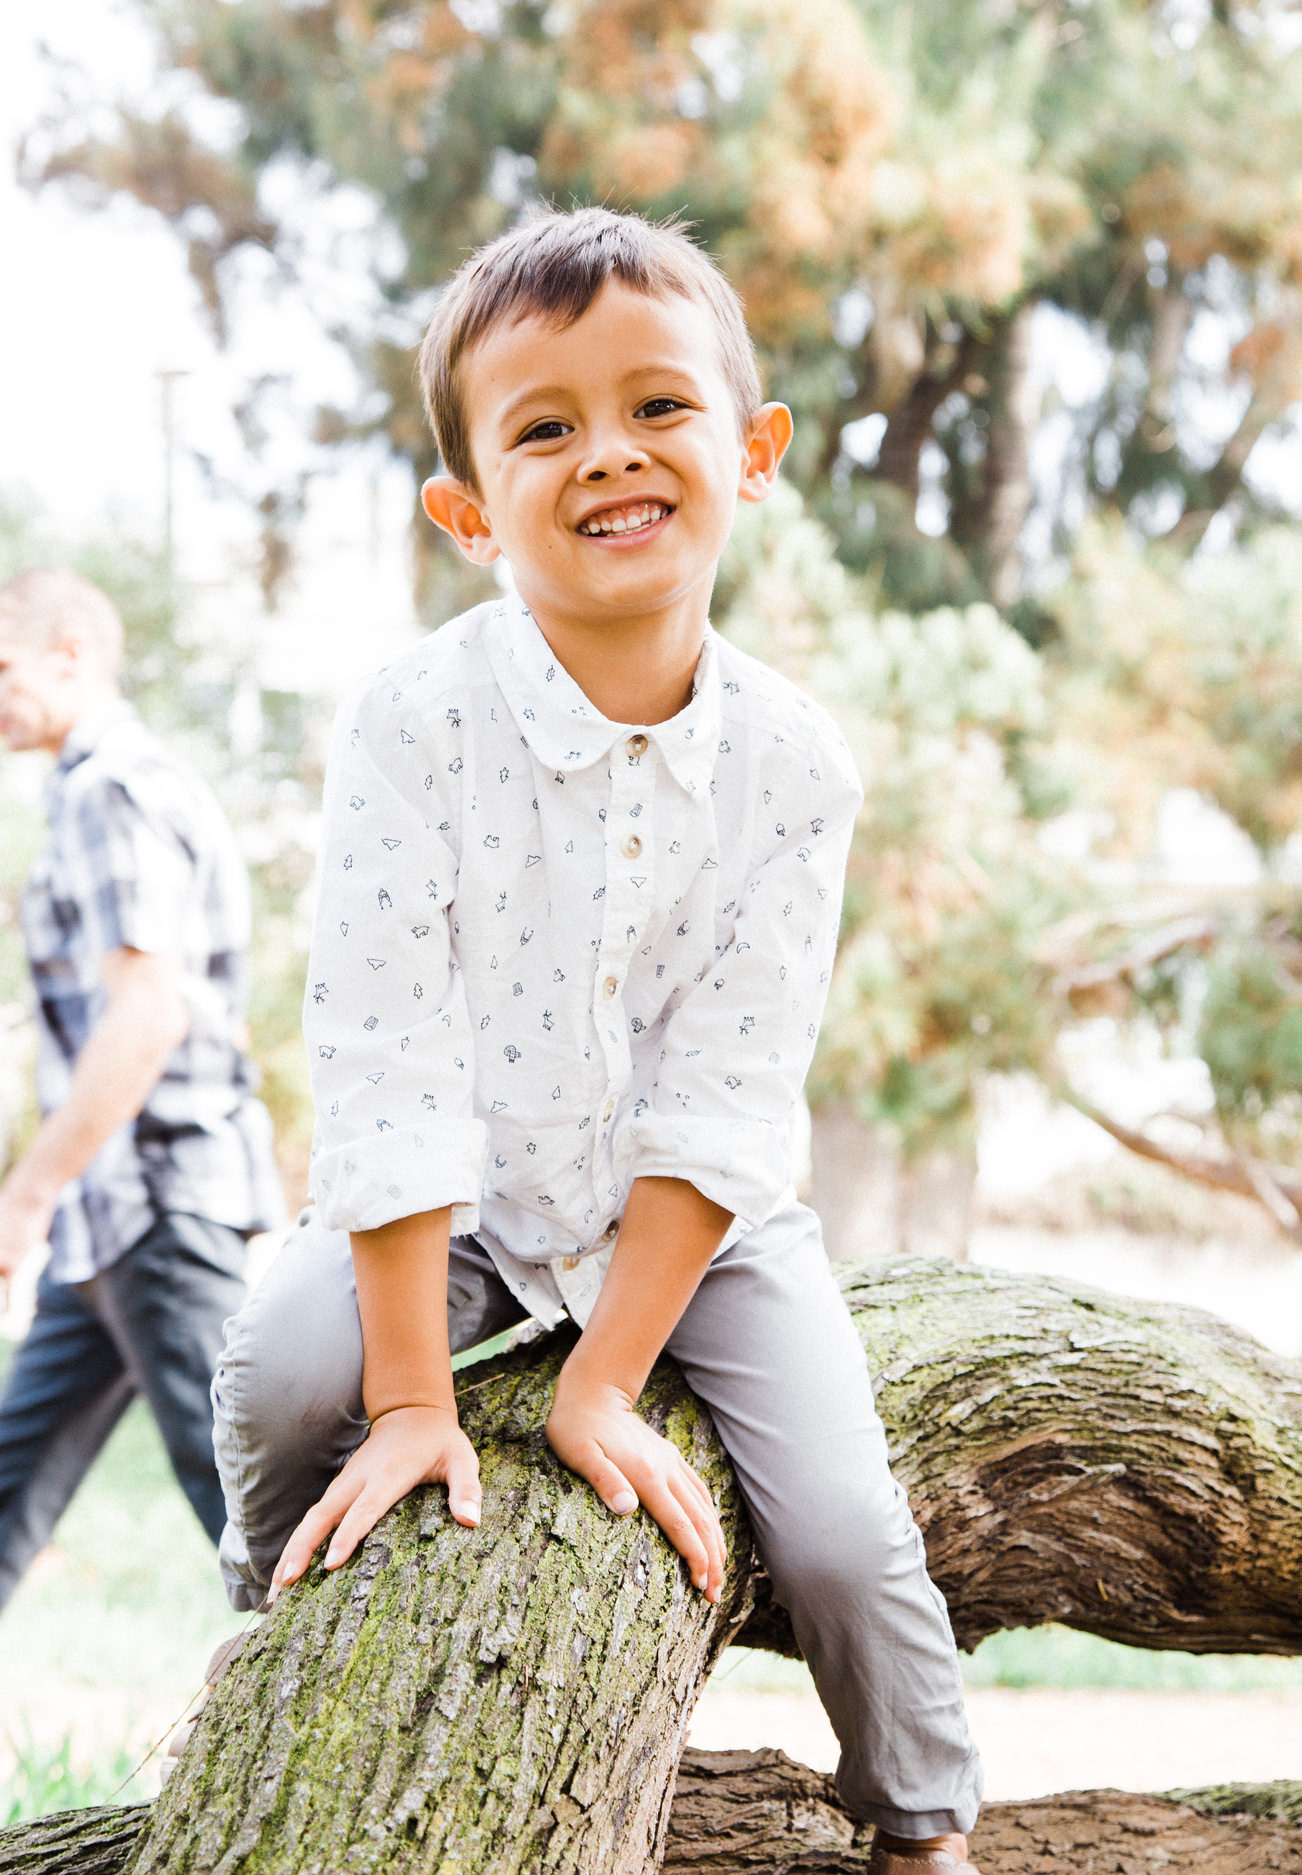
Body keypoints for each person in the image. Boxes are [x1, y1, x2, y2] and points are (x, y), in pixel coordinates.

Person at [210, 210, 982, 1873]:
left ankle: (925, 1825)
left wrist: (609, 1379)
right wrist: (412, 1398)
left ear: (754, 451)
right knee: (281, 1376)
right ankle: (256, 1662)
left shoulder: (795, 765)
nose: (607, 456)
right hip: (461, 1197)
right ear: (468, 507)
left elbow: (725, 1095)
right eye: (544, 426)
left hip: (703, 1220)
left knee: (849, 1542)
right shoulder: (410, 725)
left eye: (657, 408)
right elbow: (387, 1060)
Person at [0, 569, 282, 1740]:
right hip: (113, 1223)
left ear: (73, 652)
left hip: (162, 1205)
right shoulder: (86, 793)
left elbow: (146, 1011)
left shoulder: (116, 790)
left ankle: (345, 1723)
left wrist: (20, 1197)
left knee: (250, 1503)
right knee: (4, 1480)